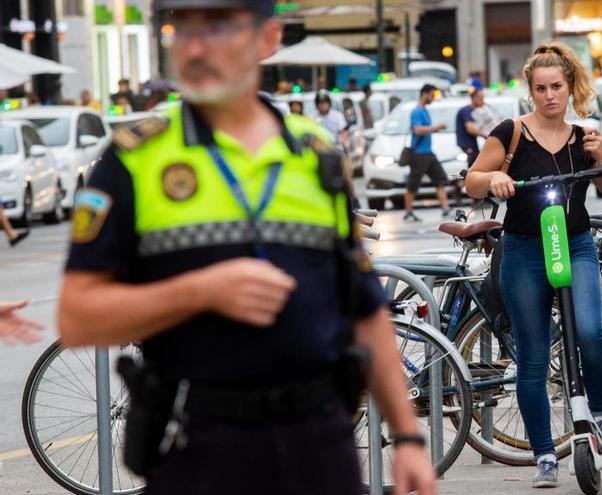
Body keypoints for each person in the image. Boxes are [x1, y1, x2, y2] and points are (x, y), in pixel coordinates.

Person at [56, 1, 435, 493]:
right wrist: (200, 291)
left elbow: (364, 309)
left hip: (320, 443)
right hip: (199, 446)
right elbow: (77, 316)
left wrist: (407, 437)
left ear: (268, 38)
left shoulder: (314, 153)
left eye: (217, 27)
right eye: (181, 28)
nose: (193, 47)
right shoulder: (133, 159)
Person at [465, 41, 602, 488]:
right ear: (530, 91)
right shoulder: (511, 132)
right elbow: (472, 181)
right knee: (534, 359)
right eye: (540, 88)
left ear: (570, 86)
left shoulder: (585, 137)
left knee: (592, 332)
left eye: (556, 86)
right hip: (523, 250)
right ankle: (544, 456)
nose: (549, 95)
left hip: (575, 244)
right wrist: (494, 177)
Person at [404, 84, 452, 222]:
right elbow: (418, 130)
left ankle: (445, 209)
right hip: (419, 154)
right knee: (413, 183)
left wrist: (433, 129)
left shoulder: (424, 110)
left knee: (440, 179)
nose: (433, 98)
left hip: (428, 152)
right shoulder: (417, 111)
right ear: (424, 94)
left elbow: (425, 129)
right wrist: (436, 127)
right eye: (432, 95)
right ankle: (408, 212)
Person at [455, 87, 487, 167]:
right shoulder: (466, 111)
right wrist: (487, 135)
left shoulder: (475, 111)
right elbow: (471, 129)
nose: (483, 101)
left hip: (472, 144)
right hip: (467, 145)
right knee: (472, 169)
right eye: (481, 98)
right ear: (474, 98)